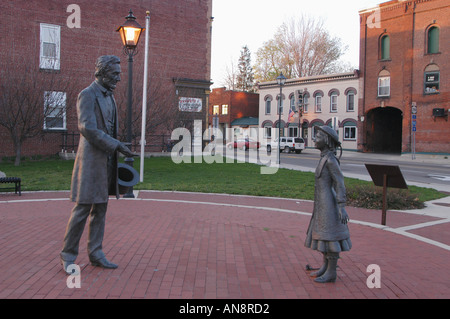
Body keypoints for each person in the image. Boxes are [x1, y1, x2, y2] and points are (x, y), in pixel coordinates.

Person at [60, 55, 136, 274]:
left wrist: (116, 147)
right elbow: (87, 128)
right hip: (91, 163)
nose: (119, 79)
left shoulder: (110, 97)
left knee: (101, 209)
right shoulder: (87, 95)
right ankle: (67, 255)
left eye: (119, 74)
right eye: (115, 74)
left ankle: (96, 253)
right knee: (82, 208)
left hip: (107, 162)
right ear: (101, 73)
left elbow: (110, 128)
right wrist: (116, 145)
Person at [304, 126, 351, 283]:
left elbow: (340, 183)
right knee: (323, 236)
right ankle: (325, 266)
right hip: (321, 205)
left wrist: (341, 206)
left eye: (318, 136)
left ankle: (331, 272)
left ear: (327, 140)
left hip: (329, 206)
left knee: (330, 237)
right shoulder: (324, 158)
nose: (314, 139)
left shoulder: (330, 160)